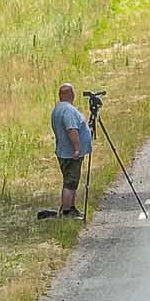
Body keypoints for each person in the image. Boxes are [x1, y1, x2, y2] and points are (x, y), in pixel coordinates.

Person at [46, 82, 92, 219]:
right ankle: (67, 211)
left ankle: (71, 208)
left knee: (71, 181)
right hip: (70, 153)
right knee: (70, 183)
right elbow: (71, 130)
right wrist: (77, 148)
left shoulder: (58, 109)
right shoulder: (68, 111)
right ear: (71, 94)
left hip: (63, 151)